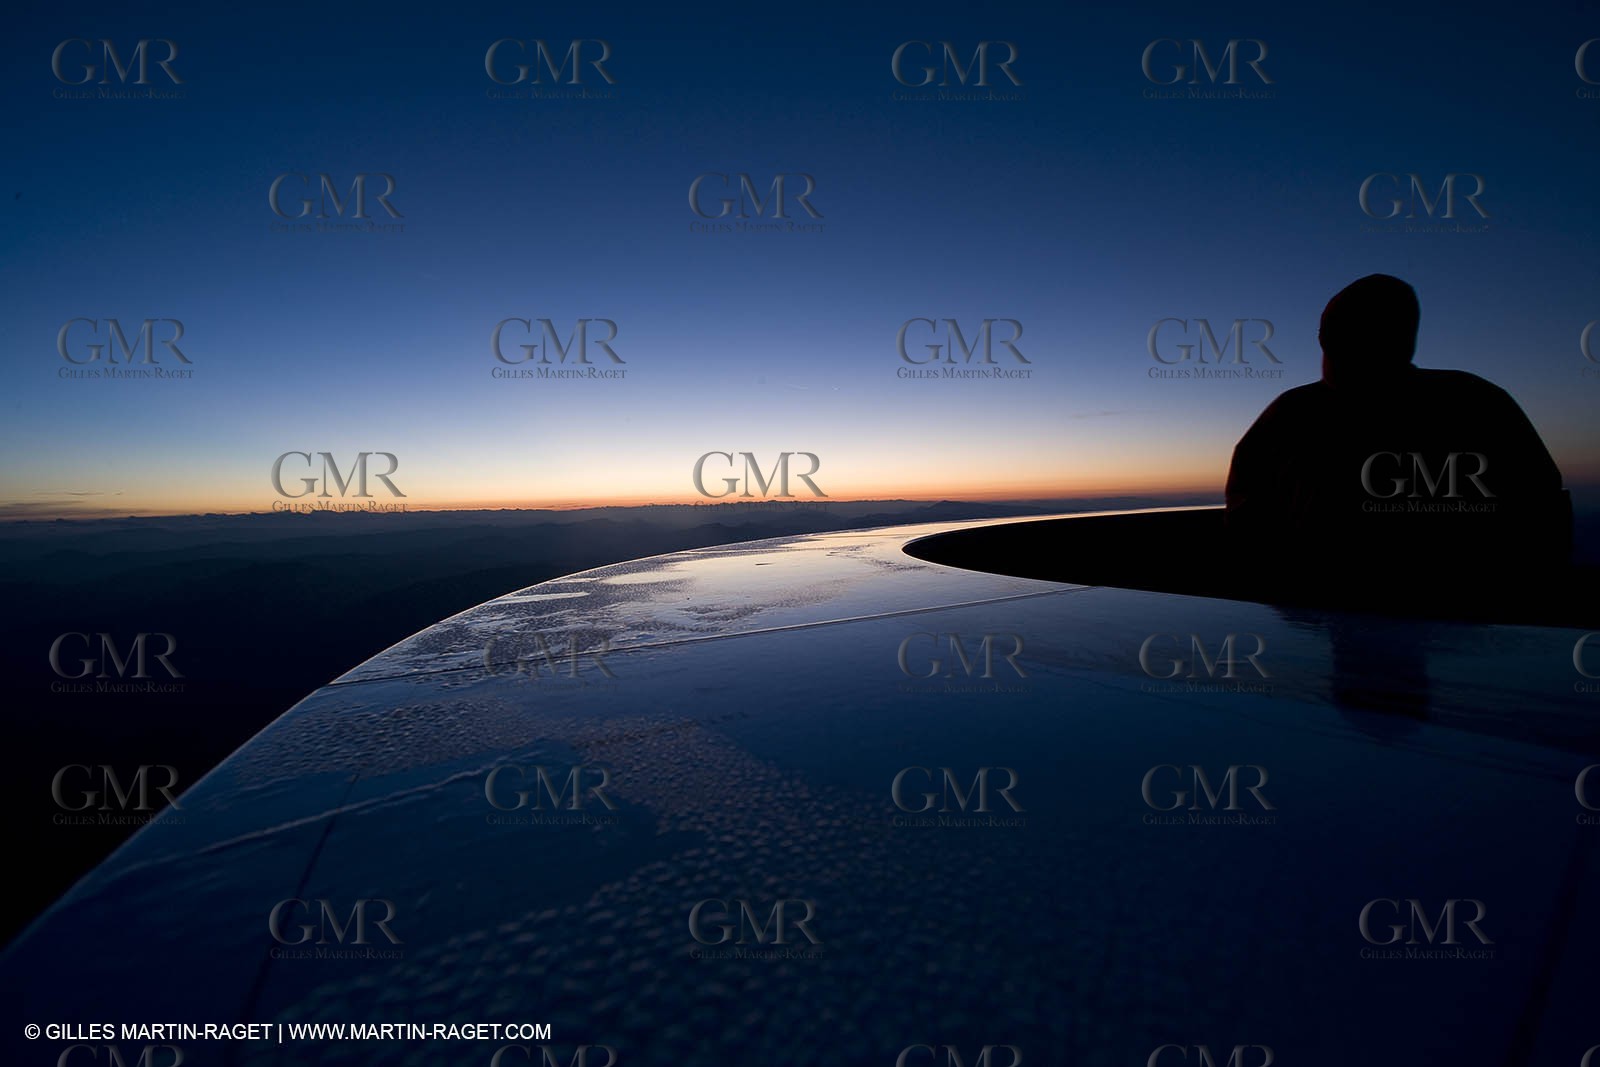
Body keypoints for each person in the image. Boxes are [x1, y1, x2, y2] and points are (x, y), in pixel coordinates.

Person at [1224, 274, 1570, 609]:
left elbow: (1538, 506)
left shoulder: (1475, 401)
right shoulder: (1475, 398)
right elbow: (1247, 512)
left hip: (1455, 607)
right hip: (1327, 606)